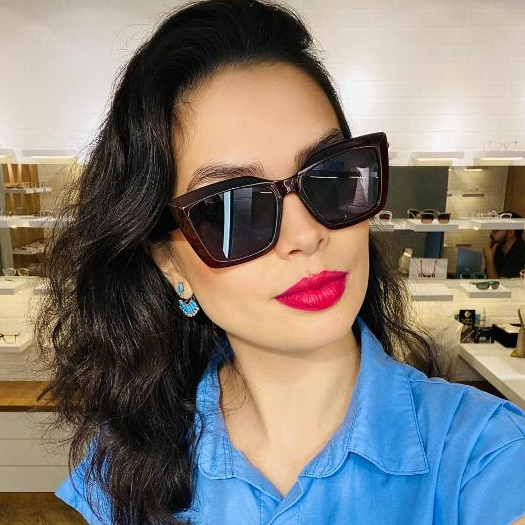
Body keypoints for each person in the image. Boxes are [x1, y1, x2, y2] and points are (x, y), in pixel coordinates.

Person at [32, 1, 525, 524]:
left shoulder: (485, 455)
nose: (306, 234)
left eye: (330, 176)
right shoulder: (123, 466)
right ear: (169, 263)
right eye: (233, 211)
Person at [482, 211, 525, 278]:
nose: (492, 232)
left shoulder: (520, 253)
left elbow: (500, 284)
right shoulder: (498, 249)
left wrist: (489, 259)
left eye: (497, 229)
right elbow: (486, 276)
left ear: (510, 232)